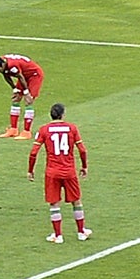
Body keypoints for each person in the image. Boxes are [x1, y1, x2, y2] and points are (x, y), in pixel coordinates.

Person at [27, 101, 90, 243]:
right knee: (76, 201)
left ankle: (58, 235)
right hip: (69, 171)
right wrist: (84, 166)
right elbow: (82, 150)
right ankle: (81, 232)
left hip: (52, 172)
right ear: (63, 114)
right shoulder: (72, 128)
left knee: (54, 203)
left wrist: (30, 170)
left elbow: (33, 153)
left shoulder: (44, 130)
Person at [0, 53, 45, 137]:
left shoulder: (12, 65)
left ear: (2, 64)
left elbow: (20, 77)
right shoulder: (3, 63)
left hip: (34, 75)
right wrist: (15, 89)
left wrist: (26, 92)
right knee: (16, 99)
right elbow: (6, 74)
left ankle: (26, 132)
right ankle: (13, 129)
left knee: (28, 101)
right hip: (23, 75)